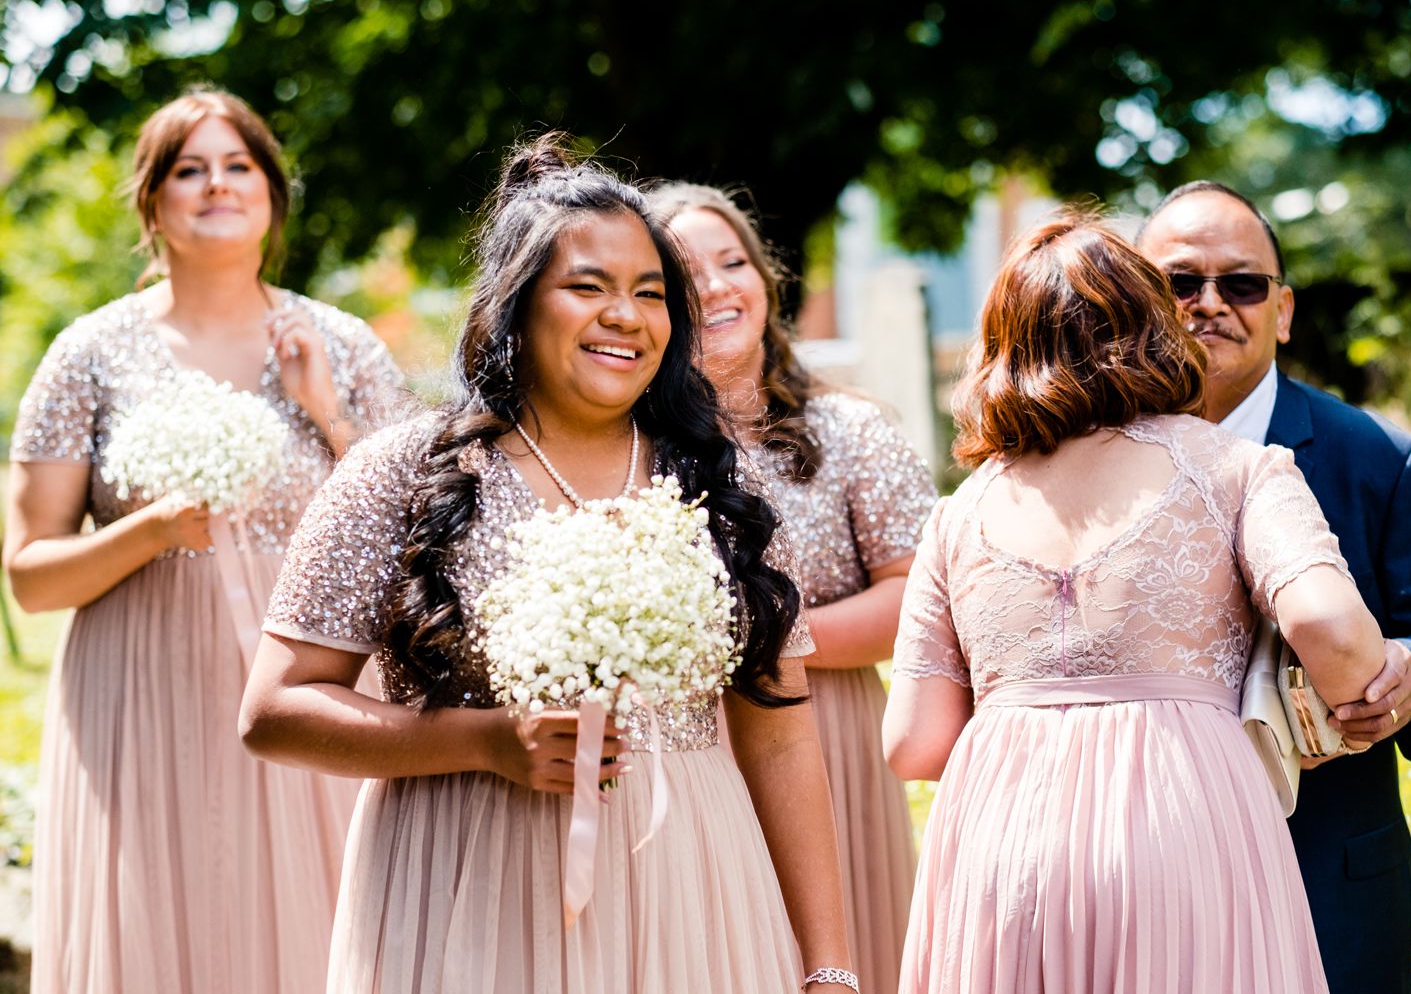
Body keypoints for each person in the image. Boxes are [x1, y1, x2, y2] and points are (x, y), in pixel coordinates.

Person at [238, 137, 857, 994]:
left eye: (650, 293)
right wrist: (485, 741)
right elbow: (272, 709)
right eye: (587, 287)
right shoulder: (402, 471)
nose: (626, 316)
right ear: (517, 306)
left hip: (694, 884)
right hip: (466, 886)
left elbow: (783, 738)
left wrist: (829, 967)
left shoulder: (722, 482)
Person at [884, 211, 1389, 993]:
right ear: (1153, 325)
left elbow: (913, 742)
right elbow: (1328, 624)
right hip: (1183, 825)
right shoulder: (1236, 468)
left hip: (1000, 848)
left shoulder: (960, 511)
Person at [3, 88, 404, 993]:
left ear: (271, 193)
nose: (216, 185)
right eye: (189, 169)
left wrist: (328, 415)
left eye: (238, 166)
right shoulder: (89, 353)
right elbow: (30, 577)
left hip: (310, 681)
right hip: (142, 691)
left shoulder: (341, 344)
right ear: (153, 203)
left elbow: (418, 526)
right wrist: (151, 529)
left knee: (324, 927)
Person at [1136, 180, 1411, 994]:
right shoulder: (1085, 464)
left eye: (1241, 284)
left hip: (1328, 875)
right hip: (1142, 878)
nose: (1208, 304)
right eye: (1179, 282)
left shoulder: (1384, 460)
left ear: (1284, 309)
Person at [649, 181, 935, 994]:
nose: (713, 286)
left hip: (832, 734)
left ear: (766, 278)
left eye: (732, 261)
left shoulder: (851, 429)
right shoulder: (635, 445)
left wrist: (765, 640)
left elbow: (913, 598)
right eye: (681, 271)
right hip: (689, 751)